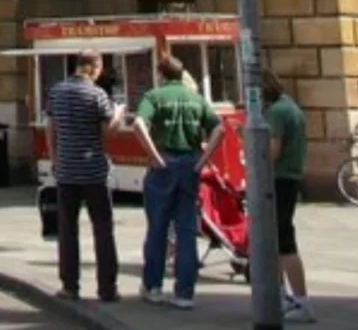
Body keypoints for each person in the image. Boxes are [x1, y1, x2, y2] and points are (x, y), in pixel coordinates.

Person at [133, 55, 224, 310]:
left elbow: (139, 124)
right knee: (186, 232)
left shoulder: (154, 97)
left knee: (157, 230)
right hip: (190, 165)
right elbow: (219, 129)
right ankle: (185, 293)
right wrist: (202, 160)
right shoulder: (197, 99)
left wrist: (152, 155)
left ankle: (153, 287)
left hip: (163, 165)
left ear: (161, 74)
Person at [45, 50, 124, 302]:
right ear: (93, 67)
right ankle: (107, 288)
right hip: (93, 172)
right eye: (99, 68)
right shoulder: (97, 94)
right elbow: (107, 131)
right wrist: (119, 114)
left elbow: (51, 128)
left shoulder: (56, 92)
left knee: (67, 230)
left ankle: (70, 286)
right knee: (103, 229)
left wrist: (55, 160)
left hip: (66, 171)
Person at [261, 69, 314, 322]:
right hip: (290, 177)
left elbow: (273, 149)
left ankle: (301, 301)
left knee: (283, 240)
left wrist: (256, 170)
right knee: (279, 239)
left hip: (279, 180)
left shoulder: (277, 113)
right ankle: (283, 296)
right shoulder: (291, 107)